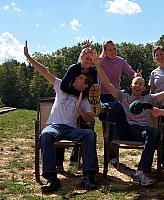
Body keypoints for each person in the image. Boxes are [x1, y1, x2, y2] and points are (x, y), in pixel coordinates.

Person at [92, 50, 164, 186]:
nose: (137, 85)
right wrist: (97, 65)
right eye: (135, 83)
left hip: (140, 132)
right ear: (131, 85)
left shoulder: (150, 98)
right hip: (125, 129)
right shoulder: (124, 96)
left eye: (140, 84)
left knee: (154, 132)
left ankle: (140, 172)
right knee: (117, 106)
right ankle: (100, 110)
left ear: (144, 87)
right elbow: (107, 84)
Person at [24, 41, 99, 192]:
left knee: (90, 134)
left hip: (71, 129)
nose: (79, 79)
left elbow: (90, 119)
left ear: (86, 85)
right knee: (45, 135)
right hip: (54, 126)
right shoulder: (60, 86)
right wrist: (29, 58)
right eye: (78, 78)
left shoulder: (84, 98)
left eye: (83, 80)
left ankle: (88, 177)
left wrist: (80, 108)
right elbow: (44, 71)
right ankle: (52, 179)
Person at [56, 43, 98, 169]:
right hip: (70, 99)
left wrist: (86, 101)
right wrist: (78, 94)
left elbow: (93, 88)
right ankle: (58, 163)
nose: (89, 61)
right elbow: (63, 86)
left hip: (84, 102)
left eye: (91, 59)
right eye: (86, 59)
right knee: (63, 125)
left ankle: (81, 161)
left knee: (88, 128)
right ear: (81, 58)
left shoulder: (93, 71)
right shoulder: (73, 68)